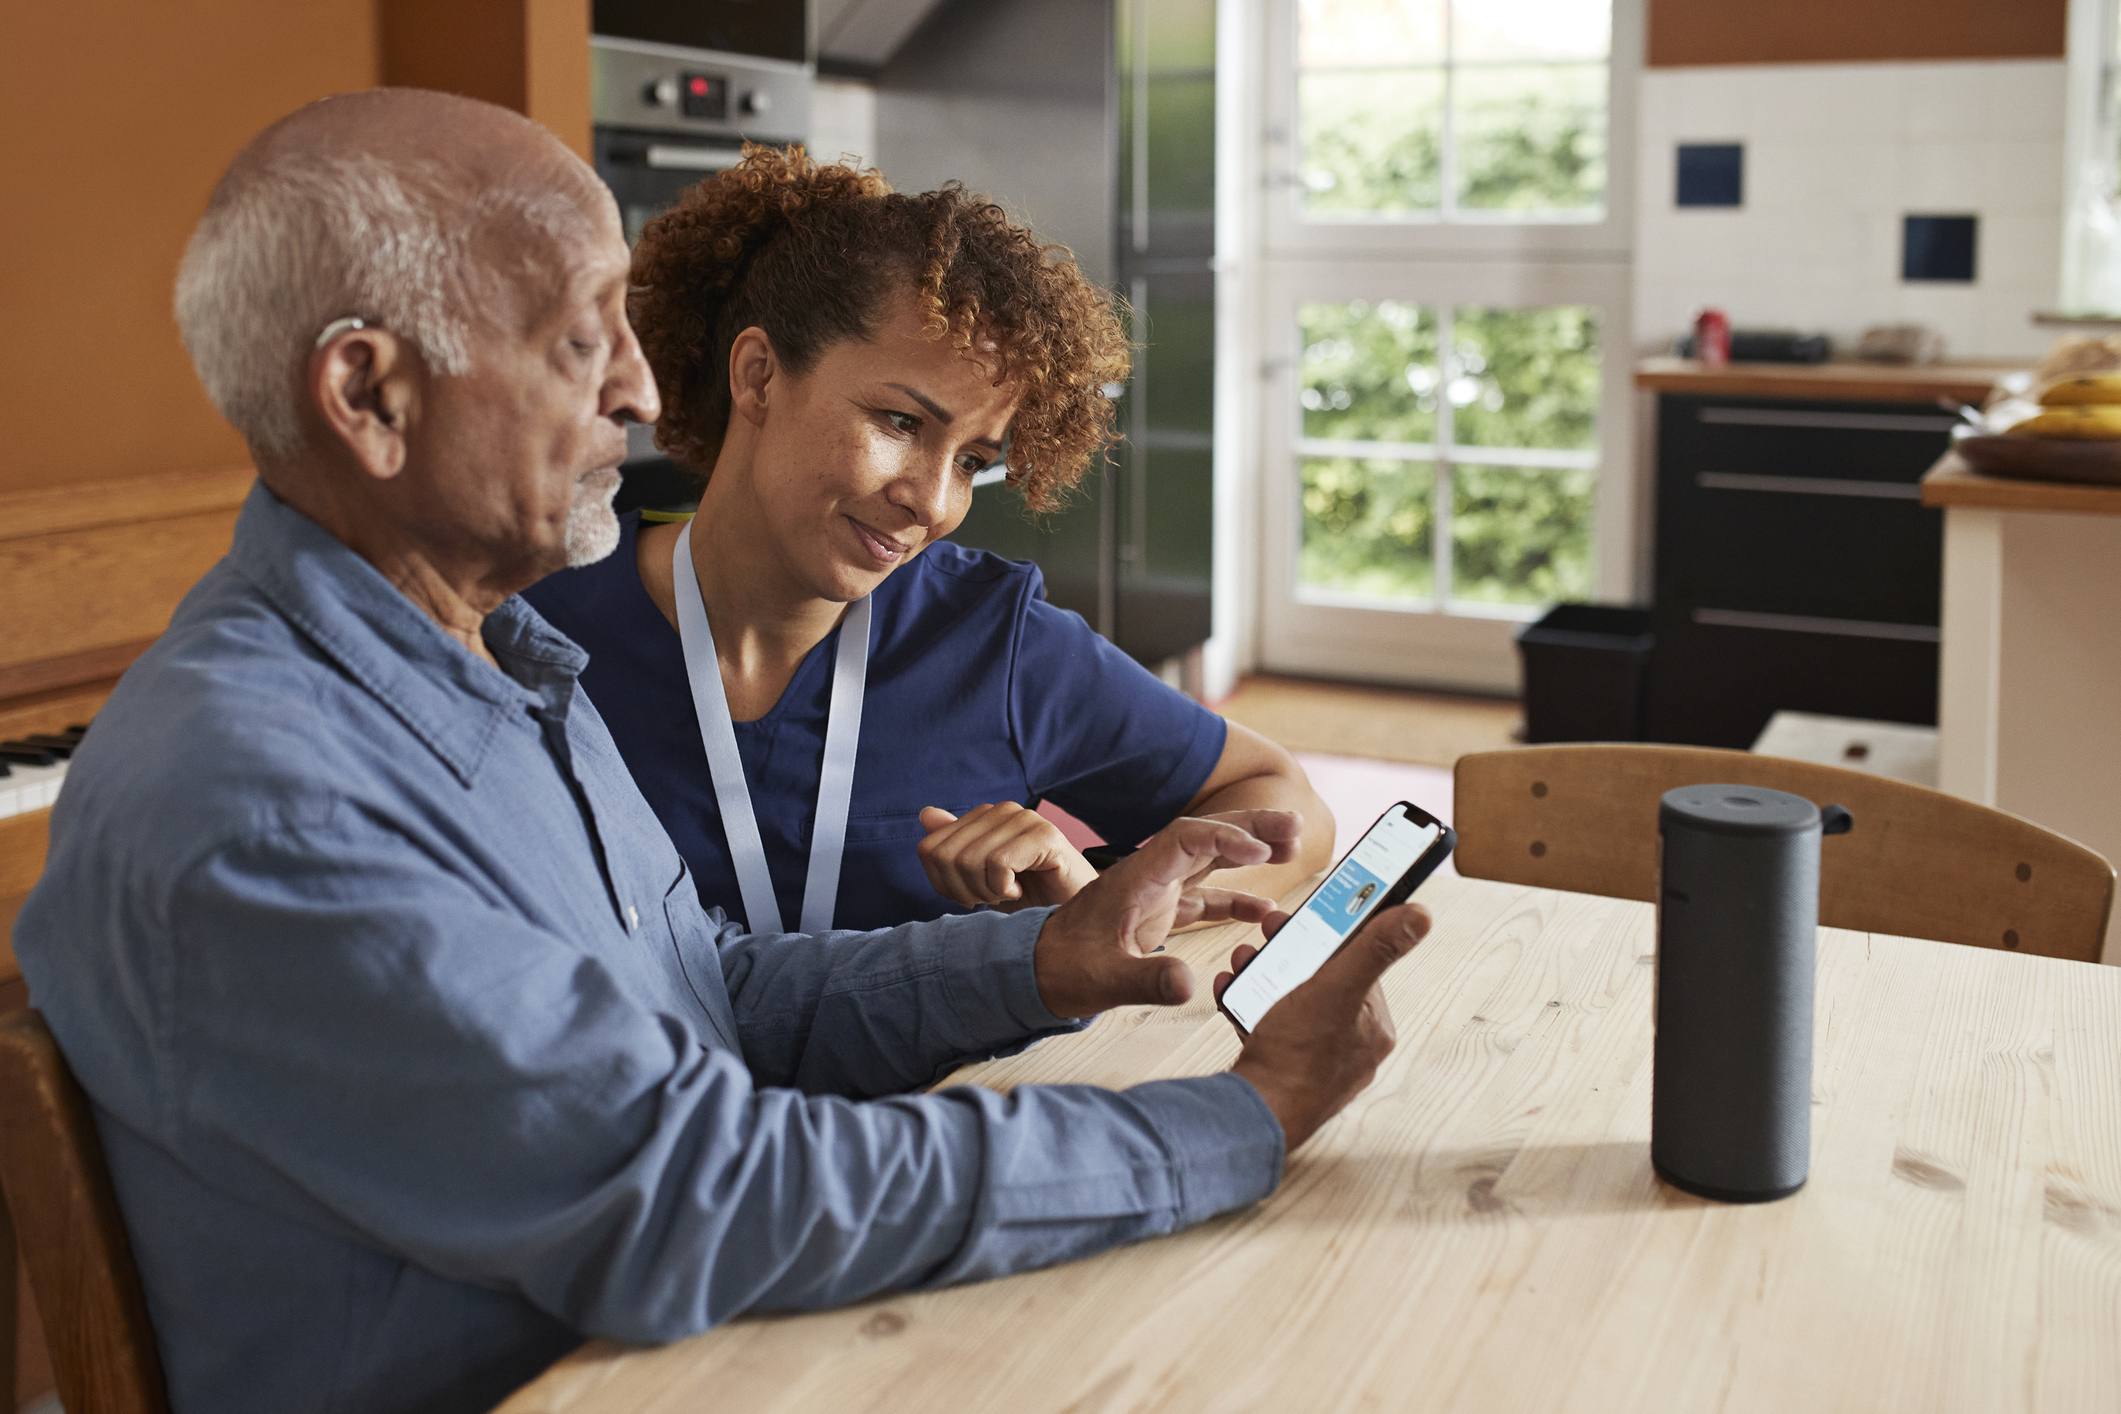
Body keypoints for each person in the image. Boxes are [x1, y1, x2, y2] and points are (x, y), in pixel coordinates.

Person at [10, 90, 1430, 1414]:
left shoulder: (497, 664)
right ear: (368, 396)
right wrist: (1239, 1118)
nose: (640, 390)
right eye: (581, 339)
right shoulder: (265, 796)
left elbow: (705, 995)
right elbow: (703, 1188)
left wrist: (1040, 961)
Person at [519, 148, 1334, 936]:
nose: (932, 502)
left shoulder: (990, 639)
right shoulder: (528, 619)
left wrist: (1122, 898)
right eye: (899, 422)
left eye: (973, 463)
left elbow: (1283, 800)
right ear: (759, 375)